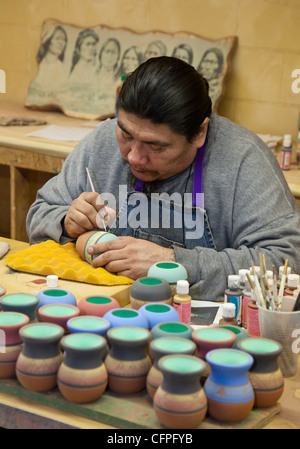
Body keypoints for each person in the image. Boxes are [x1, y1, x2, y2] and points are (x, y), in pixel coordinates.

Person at [26, 56, 300, 301]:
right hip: (107, 310)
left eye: (155, 146)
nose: (134, 156)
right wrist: (65, 222)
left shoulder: (243, 161)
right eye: (126, 135)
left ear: (200, 133)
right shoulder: (102, 141)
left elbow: (286, 261)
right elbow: (39, 214)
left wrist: (173, 264)